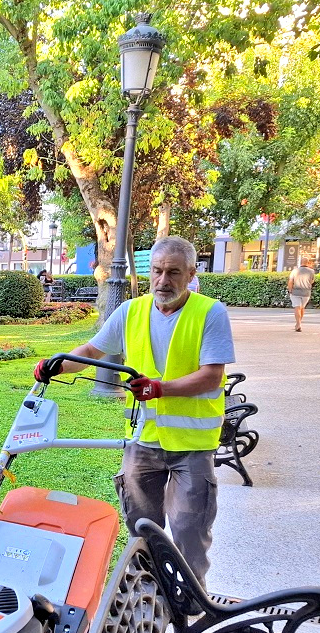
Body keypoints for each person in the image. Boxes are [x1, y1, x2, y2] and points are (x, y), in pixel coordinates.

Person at [33, 235, 234, 581]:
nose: (163, 281)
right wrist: (57, 364)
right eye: (157, 271)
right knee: (142, 530)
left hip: (192, 447)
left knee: (189, 531)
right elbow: (93, 351)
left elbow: (212, 377)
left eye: (173, 272)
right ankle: (148, 589)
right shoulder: (130, 312)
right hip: (142, 441)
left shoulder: (209, 313)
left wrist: (160, 389)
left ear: (190, 274)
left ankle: (192, 602)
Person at [288, 265, 315, 332]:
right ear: (308, 263)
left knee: (297, 308)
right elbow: (312, 281)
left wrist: (290, 290)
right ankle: (299, 323)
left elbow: (290, 281)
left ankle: (298, 324)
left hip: (296, 292)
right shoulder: (311, 271)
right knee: (302, 308)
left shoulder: (295, 271)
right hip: (306, 292)